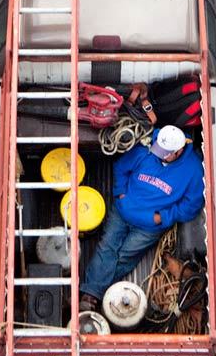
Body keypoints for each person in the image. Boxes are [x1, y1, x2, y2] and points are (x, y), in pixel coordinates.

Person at [80, 125, 204, 311]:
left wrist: (162, 217)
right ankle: (92, 295)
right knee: (107, 247)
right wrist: (121, 194)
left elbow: (191, 205)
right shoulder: (148, 149)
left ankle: (91, 292)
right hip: (123, 211)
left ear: (178, 151)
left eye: (166, 153)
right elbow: (121, 167)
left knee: (124, 257)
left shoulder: (193, 169)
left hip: (149, 226)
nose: (159, 154)